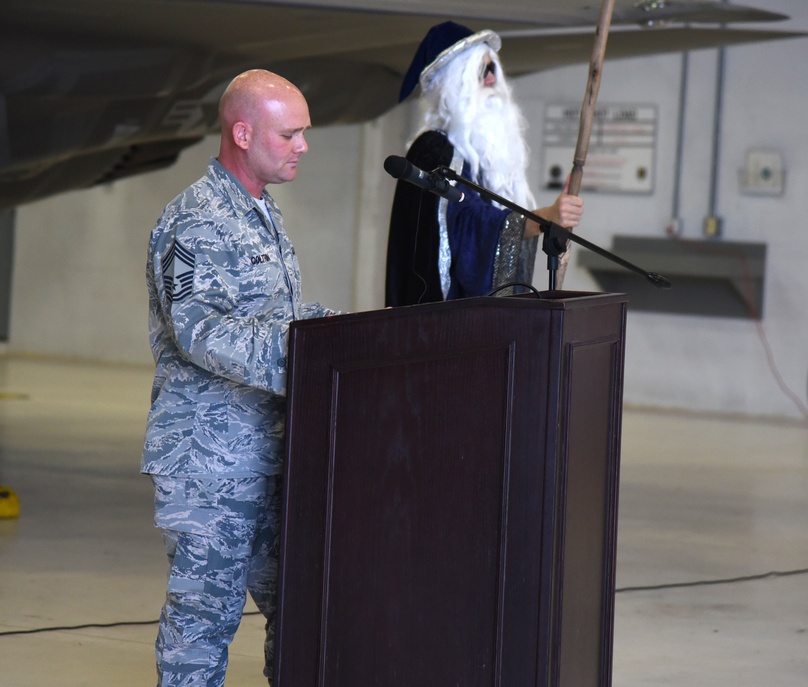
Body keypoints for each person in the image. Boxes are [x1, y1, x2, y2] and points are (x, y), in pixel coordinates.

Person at [142, 69, 342, 687]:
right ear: (243, 133)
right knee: (202, 625)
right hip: (211, 462)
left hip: (272, 452)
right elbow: (200, 331)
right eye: (290, 134)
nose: (303, 145)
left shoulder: (257, 211)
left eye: (303, 132)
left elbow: (273, 317)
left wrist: (343, 332)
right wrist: (310, 353)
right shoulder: (196, 219)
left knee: (305, 609)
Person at [385, 21, 584, 307]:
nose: (492, 78)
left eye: (493, 68)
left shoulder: (479, 156)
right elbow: (468, 225)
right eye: (481, 70)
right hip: (442, 319)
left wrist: (543, 220)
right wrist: (544, 218)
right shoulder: (434, 150)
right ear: (454, 83)